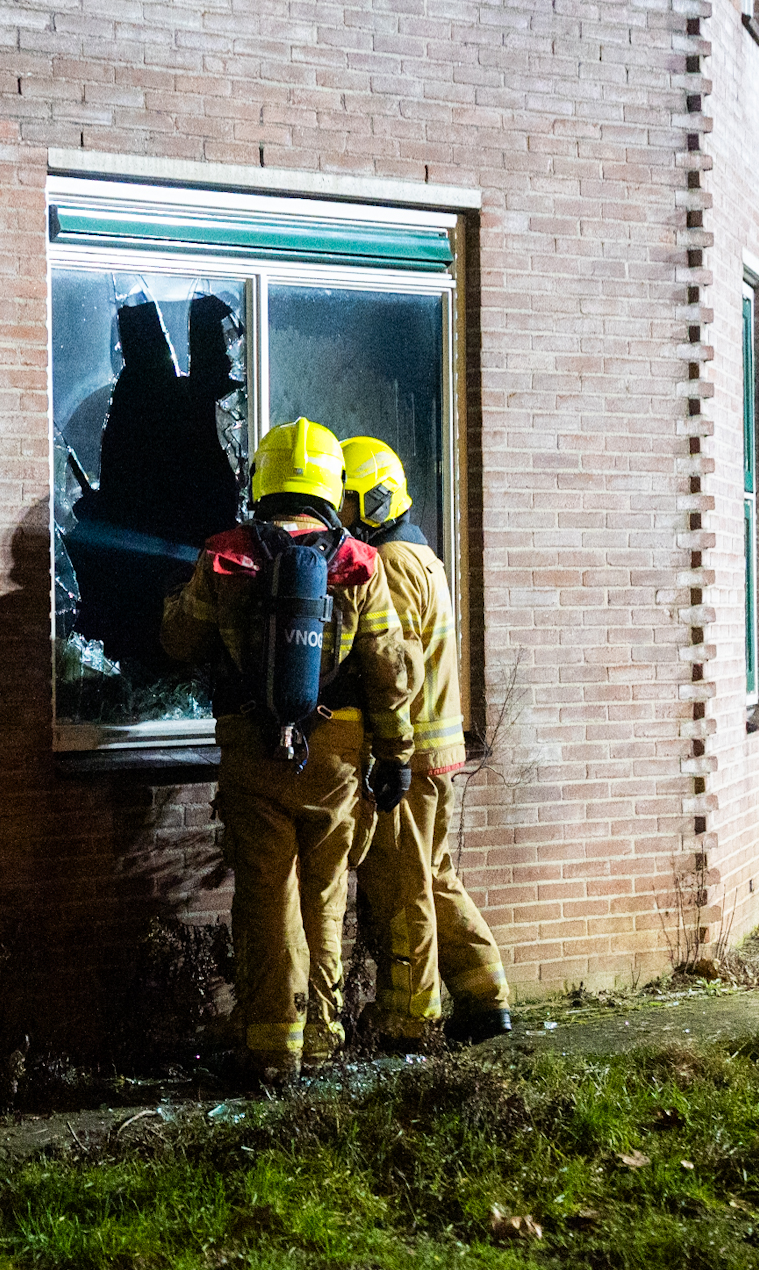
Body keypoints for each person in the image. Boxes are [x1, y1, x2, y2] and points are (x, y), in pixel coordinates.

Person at [162, 419, 420, 1083]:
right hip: (336, 749)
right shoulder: (359, 561)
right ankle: (326, 1035)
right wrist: (395, 754)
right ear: (331, 484)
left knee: (266, 895)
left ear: (263, 478)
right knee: (325, 892)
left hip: (252, 748)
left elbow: (181, 642)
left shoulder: (225, 554)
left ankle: (274, 1047)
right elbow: (388, 667)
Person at [338, 436, 515, 1046]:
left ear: (376, 498)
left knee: (402, 885)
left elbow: (393, 668)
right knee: (434, 873)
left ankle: (409, 1017)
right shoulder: (424, 555)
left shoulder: (386, 565)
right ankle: (485, 994)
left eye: (348, 497)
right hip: (435, 753)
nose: (339, 510)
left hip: (407, 757)